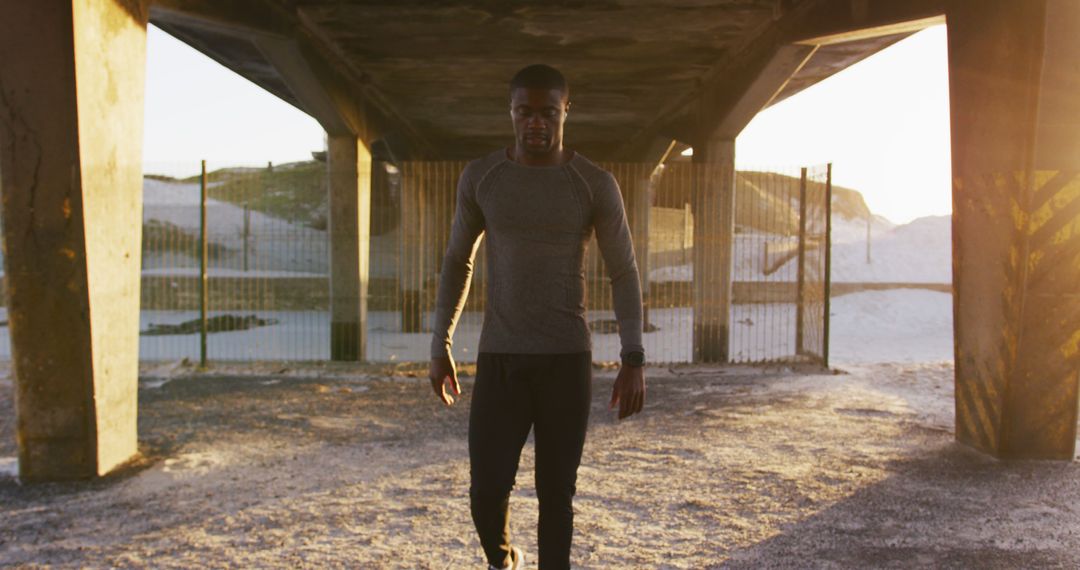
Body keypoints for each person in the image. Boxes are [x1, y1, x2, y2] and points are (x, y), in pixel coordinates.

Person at [428, 63, 646, 570]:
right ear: (511, 111)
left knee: (556, 497)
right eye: (525, 111)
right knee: (485, 490)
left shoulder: (593, 183)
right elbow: (457, 260)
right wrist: (440, 344)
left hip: (566, 361)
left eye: (548, 112)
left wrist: (632, 356)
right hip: (501, 357)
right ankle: (503, 560)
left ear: (566, 110)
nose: (536, 123)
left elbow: (624, 271)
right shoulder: (482, 176)